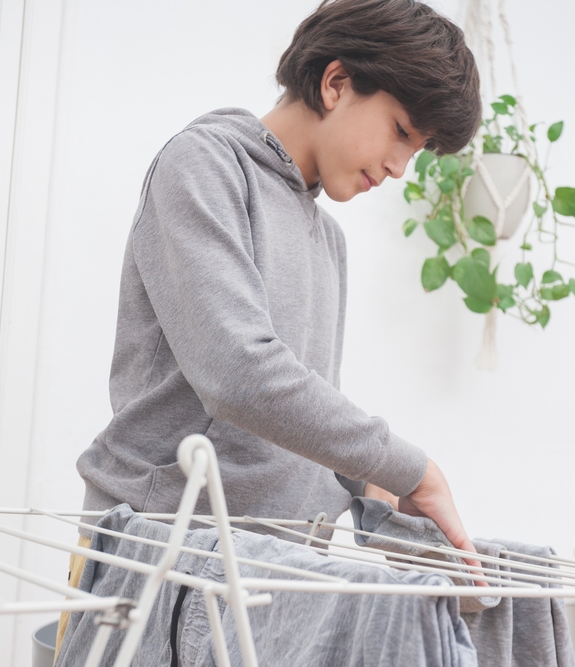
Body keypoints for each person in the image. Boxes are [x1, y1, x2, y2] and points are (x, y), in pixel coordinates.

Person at [64, 0, 482, 644]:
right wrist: (414, 469)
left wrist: (391, 506)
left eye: (418, 150)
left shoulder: (329, 241)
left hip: (272, 580)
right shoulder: (203, 165)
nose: (402, 168)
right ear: (336, 82)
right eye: (401, 131)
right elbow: (238, 375)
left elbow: (298, 413)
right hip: (162, 564)